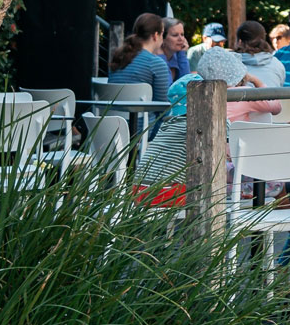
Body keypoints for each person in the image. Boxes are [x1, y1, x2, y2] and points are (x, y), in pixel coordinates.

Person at [133, 47, 269, 204]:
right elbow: (234, 157)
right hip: (170, 193)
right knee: (216, 190)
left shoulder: (169, 124)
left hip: (140, 192)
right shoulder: (215, 122)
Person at [108, 12, 171, 102]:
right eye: (162, 34)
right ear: (156, 36)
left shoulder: (119, 57)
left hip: (111, 115)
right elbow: (163, 107)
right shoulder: (156, 63)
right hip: (144, 116)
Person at [235, 21, 287, 89]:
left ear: (239, 41)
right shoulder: (277, 65)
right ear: (263, 40)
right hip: (270, 98)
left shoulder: (230, 65)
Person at [161, 17, 190, 83]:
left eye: (182, 34)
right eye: (175, 35)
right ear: (162, 38)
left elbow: (186, 84)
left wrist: (182, 54)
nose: (181, 39)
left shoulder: (179, 56)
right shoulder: (157, 58)